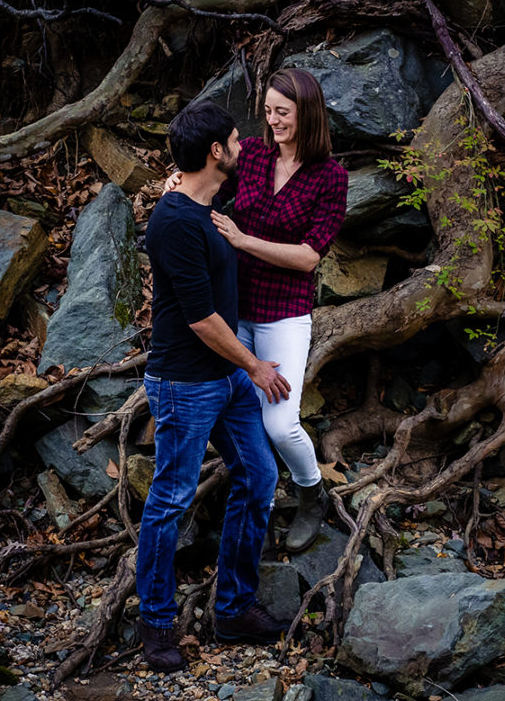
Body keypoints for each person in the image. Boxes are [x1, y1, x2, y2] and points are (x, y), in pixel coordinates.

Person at [139, 101, 292, 673]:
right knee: (170, 501)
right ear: (214, 154)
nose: (244, 145)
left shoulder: (206, 205)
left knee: (258, 476)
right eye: (234, 139)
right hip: (185, 385)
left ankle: (232, 609)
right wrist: (255, 366)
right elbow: (201, 320)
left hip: (224, 379)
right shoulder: (176, 223)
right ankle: (155, 623)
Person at [168, 69, 348, 553]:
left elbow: (310, 256)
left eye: (282, 112)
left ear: (307, 112)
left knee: (279, 423)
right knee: (235, 417)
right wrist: (180, 180)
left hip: (284, 313)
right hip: (230, 309)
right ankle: (258, 510)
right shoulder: (252, 153)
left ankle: (312, 493)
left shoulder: (330, 177)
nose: (272, 121)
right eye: (268, 111)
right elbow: (210, 191)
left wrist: (245, 239)